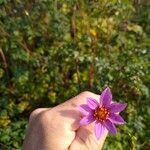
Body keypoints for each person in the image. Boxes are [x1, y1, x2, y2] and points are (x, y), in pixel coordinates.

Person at [23, 91, 108, 150]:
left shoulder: (105, 116)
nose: (101, 113)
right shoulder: (92, 112)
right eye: (99, 111)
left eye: (103, 112)